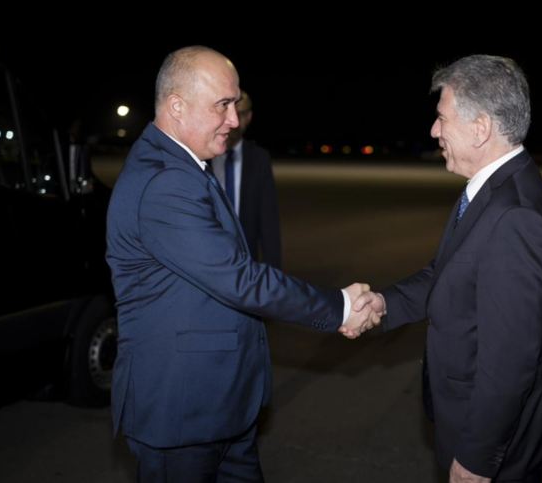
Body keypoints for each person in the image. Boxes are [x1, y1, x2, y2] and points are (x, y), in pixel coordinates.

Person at [105, 45, 376, 482]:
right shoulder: (164, 182)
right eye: (222, 105)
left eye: (235, 104)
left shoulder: (185, 166)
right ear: (176, 106)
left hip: (221, 406)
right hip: (183, 413)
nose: (234, 119)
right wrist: (340, 308)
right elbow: (239, 279)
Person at [349, 55, 542, 483]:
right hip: (475, 418)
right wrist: (384, 303)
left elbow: (509, 361)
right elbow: (447, 274)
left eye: (442, 118)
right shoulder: (492, 188)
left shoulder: (515, 216)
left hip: (500, 440)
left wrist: (477, 459)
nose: (434, 131)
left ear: (480, 127)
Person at [211, 91, 282, 267]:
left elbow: (268, 222)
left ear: (249, 117)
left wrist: (273, 272)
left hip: (247, 260)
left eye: (240, 113)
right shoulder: (205, 156)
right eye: (227, 112)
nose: (234, 120)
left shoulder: (259, 159)